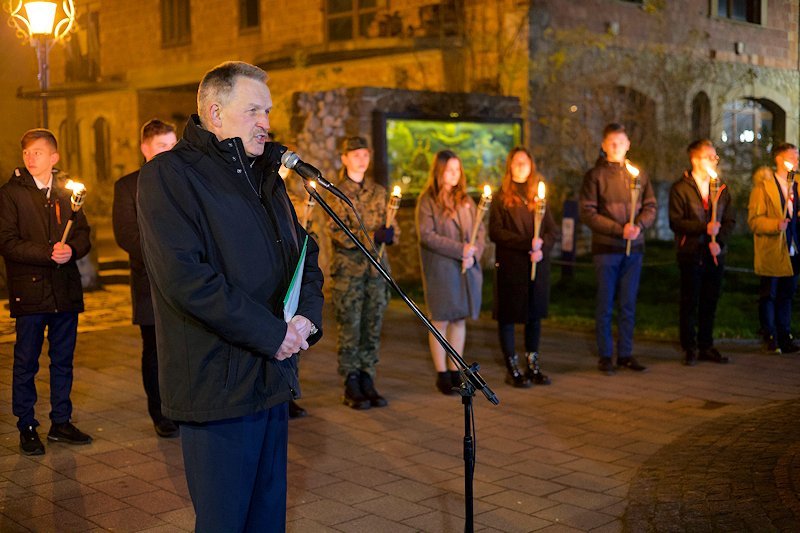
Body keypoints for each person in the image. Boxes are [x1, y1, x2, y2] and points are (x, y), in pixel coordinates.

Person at [137, 61, 324, 532]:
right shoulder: (169, 176)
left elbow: (305, 254)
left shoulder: (265, 178)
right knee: (225, 522)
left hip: (271, 379)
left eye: (269, 110)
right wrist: (271, 334)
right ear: (215, 113)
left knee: (267, 520)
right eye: (254, 110)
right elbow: (186, 279)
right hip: (216, 385)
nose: (266, 121)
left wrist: (305, 320)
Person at [0, 129, 92, 456]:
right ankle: (26, 424)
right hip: (31, 293)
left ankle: (61, 421)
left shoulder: (68, 193)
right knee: (26, 362)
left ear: (53, 158)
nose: (30, 158)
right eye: (26, 153)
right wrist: (47, 252)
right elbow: (7, 242)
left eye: (37, 152)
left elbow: (83, 234)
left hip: (64, 292)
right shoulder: (11, 194)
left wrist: (73, 250)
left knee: (62, 361)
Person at [113, 119, 179, 438]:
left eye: (172, 145)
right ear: (145, 148)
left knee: (183, 348)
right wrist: (164, 258)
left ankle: (184, 405)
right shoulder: (128, 186)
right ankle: (160, 411)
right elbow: (126, 235)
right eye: (161, 146)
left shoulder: (185, 181)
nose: (168, 152)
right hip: (149, 282)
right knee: (154, 348)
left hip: (185, 281)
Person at [580, 123, 656, 375]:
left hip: (634, 249)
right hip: (606, 249)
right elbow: (588, 213)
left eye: (621, 142)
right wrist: (617, 229)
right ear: (603, 145)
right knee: (605, 304)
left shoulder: (638, 175)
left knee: (628, 303)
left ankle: (625, 353)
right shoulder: (595, 176)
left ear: (628, 144)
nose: (616, 147)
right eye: (611, 143)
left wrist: (639, 225)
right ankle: (605, 355)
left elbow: (650, 206)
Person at [329, 136, 394, 409]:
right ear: (344, 158)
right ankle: (351, 382)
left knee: (372, 326)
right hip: (349, 273)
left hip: (376, 272)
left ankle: (368, 378)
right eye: (355, 154)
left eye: (364, 154)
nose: (361, 159)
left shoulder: (379, 192)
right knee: (350, 328)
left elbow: (390, 224)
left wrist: (391, 233)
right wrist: (373, 236)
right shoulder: (336, 192)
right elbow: (339, 233)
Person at [416, 150, 485, 395]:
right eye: (450, 169)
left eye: (458, 169)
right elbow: (427, 235)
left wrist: (474, 251)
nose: (455, 174)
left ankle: (456, 368)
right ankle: (441, 373)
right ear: (439, 171)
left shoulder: (465, 200)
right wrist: (460, 249)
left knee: (459, 318)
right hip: (442, 269)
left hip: (464, 268)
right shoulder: (428, 200)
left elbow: (480, 231)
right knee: (441, 319)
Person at [489, 147, 556, 387]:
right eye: (516, 162)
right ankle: (512, 367)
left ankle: (533, 364)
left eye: (525, 162)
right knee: (508, 316)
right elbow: (495, 232)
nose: (521, 166)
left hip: (535, 264)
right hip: (512, 265)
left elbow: (550, 230)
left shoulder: (537, 196)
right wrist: (525, 243)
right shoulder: (501, 197)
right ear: (510, 166)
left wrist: (542, 248)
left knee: (534, 315)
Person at [669, 139, 735, 365]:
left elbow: (729, 220)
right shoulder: (681, 188)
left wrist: (721, 239)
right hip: (691, 252)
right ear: (696, 159)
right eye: (710, 156)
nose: (715, 160)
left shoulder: (721, 188)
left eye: (715, 156)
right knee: (690, 300)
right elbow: (676, 222)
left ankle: (707, 344)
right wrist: (702, 229)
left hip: (715, 253)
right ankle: (689, 346)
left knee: (710, 300)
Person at [748, 143, 800, 354]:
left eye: (797, 157)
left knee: (787, 293)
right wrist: (775, 224)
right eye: (792, 156)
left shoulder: (797, 184)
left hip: (794, 247)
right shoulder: (763, 186)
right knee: (769, 293)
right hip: (773, 247)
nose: (796, 160)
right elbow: (754, 221)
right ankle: (770, 335)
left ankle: (784, 333)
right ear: (779, 158)